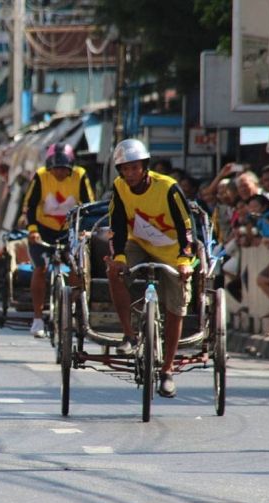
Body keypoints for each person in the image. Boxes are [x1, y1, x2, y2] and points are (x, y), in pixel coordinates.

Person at [105, 139, 195, 398]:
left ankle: (167, 371)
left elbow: (186, 227)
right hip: (139, 244)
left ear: (144, 167)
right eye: (125, 169)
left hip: (172, 250)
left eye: (135, 168)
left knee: (176, 306)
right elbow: (118, 224)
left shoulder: (168, 187)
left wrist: (184, 260)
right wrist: (119, 256)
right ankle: (130, 336)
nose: (130, 174)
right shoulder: (120, 187)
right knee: (113, 271)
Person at [22, 142, 95, 337]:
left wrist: (84, 231)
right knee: (39, 268)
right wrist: (32, 229)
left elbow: (89, 205)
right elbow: (29, 205)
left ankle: (68, 309)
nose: (59, 173)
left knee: (77, 267)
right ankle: (37, 318)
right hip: (43, 230)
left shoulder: (80, 175)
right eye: (55, 169)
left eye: (63, 169)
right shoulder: (40, 176)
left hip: (70, 230)